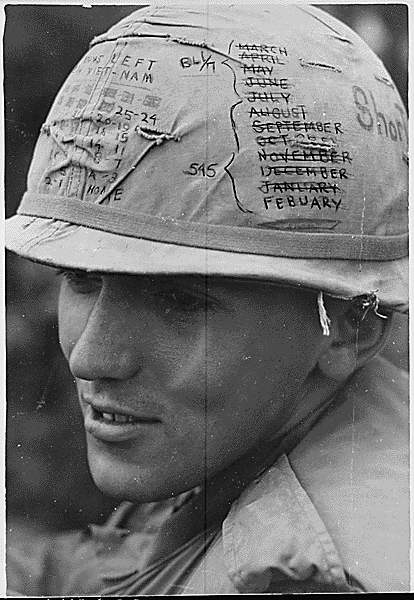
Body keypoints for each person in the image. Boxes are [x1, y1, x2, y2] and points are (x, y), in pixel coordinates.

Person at [5, 3, 409, 595]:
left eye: (176, 301)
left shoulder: (299, 577)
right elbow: (126, 565)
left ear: (350, 326)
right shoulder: (252, 438)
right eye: (82, 278)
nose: (91, 357)